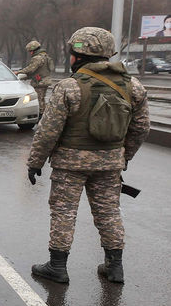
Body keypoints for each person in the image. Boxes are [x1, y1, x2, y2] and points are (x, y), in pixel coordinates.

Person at [27, 27, 150, 284]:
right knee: (109, 213)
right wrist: (124, 156)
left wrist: (35, 162)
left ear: (78, 56)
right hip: (109, 165)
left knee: (64, 212)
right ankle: (115, 267)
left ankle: (57, 267)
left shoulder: (68, 87)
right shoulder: (133, 86)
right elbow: (141, 128)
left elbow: (48, 131)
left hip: (69, 164)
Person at [17, 40, 54, 105]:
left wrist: (18, 72)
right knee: (42, 99)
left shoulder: (37, 58)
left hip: (39, 82)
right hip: (45, 81)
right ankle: (42, 113)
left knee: (38, 101)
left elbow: (30, 69)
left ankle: (40, 114)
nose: (30, 53)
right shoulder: (45, 56)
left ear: (34, 50)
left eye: (30, 51)